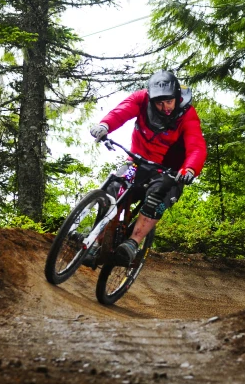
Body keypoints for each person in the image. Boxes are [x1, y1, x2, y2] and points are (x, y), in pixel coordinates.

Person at [89, 70, 207, 266]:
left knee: (156, 197)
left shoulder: (187, 115)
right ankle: (96, 242)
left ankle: (132, 244)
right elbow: (122, 111)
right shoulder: (141, 99)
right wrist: (105, 125)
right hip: (137, 162)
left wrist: (190, 170)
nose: (165, 107)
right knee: (112, 189)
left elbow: (196, 146)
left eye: (169, 101)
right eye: (159, 103)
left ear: (177, 97)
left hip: (170, 172)